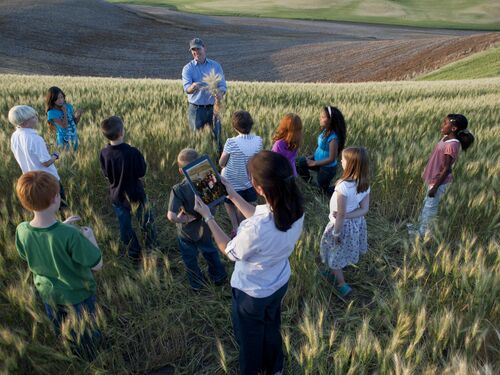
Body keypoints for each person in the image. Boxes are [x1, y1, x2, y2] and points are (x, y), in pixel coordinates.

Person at [194, 150, 305, 375]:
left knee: (250, 339)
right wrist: (233, 195)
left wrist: (208, 217)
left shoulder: (255, 229)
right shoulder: (294, 208)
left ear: (259, 188)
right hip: (279, 282)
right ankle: (275, 368)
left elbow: (229, 250)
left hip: (252, 294)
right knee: (272, 327)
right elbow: (259, 216)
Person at [15, 171, 102, 360]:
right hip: (78, 295)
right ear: (55, 198)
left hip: (49, 295)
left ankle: (70, 355)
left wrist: (61, 226)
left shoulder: (22, 230)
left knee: (63, 331)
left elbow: (29, 252)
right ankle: (90, 359)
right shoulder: (71, 235)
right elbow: (97, 265)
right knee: (86, 333)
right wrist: (90, 237)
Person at [166, 148, 227, 291]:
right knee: (210, 251)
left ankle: (196, 285)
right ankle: (219, 277)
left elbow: (171, 216)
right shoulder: (209, 180)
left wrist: (185, 219)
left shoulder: (178, 189)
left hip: (187, 232)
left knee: (189, 258)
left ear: (181, 171)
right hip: (206, 226)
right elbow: (219, 200)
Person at [99, 116, 158, 263]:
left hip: (117, 196)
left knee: (125, 225)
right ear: (121, 133)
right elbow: (141, 172)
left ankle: (133, 252)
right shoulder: (132, 152)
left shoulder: (104, 153)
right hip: (136, 193)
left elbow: (106, 174)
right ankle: (151, 247)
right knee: (146, 221)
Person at [319, 147, 370, 298]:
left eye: (343, 159)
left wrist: (336, 232)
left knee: (334, 252)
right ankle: (333, 270)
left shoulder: (343, 187)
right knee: (339, 251)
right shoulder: (364, 183)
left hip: (339, 225)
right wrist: (349, 215)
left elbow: (340, 214)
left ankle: (341, 283)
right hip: (355, 224)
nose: (340, 160)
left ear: (349, 164)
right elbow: (364, 209)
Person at [412, 114, 474, 237]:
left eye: (445, 123)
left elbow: (446, 169)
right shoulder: (446, 138)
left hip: (438, 182)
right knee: (426, 204)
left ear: (454, 128)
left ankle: (423, 235)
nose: (442, 125)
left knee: (430, 209)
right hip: (432, 178)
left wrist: (435, 187)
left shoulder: (452, 144)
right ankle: (419, 229)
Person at [9, 105, 68, 210]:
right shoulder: (35, 139)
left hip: (31, 179)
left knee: (43, 207)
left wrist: (42, 148)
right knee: (60, 205)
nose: (36, 118)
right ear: (24, 122)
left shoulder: (14, 136)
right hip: (48, 179)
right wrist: (55, 156)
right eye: (33, 117)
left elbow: (25, 152)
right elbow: (46, 162)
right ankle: (65, 223)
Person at [220, 111, 262, 236]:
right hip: (249, 181)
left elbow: (222, 163)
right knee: (242, 205)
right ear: (251, 125)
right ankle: (242, 228)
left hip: (230, 182)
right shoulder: (258, 141)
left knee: (229, 203)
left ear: (234, 127)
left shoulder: (231, 142)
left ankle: (234, 227)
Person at [182, 38, 227, 153]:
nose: (196, 52)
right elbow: (187, 89)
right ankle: (198, 168)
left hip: (214, 108)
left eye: (198, 48)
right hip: (196, 110)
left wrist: (220, 94)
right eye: (193, 50)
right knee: (197, 140)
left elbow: (222, 85)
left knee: (217, 139)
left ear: (204, 48)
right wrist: (193, 87)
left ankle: (218, 166)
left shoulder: (215, 66)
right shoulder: (188, 68)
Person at [297, 106, 346, 195]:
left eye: (323, 117)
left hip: (327, 168)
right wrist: (312, 157)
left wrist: (314, 163)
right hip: (317, 161)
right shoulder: (325, 131)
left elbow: (332, 158)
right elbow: (320, 148)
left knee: (322, 192)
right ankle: (310, 183)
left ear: (331, 120)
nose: (320, 118)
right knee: (300, 163)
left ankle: (337, 190)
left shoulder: (333, 138)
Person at [45, 86, 84, 151]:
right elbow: (64, 126)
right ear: (52, 100)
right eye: (57, 99)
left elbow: (74, 123)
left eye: (61, 97)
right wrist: (64, 112)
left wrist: (78, 116)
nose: (60, 100)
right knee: (66, 157)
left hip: (74, 138)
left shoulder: (69, 106)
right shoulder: (51, 113)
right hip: (64, 141)